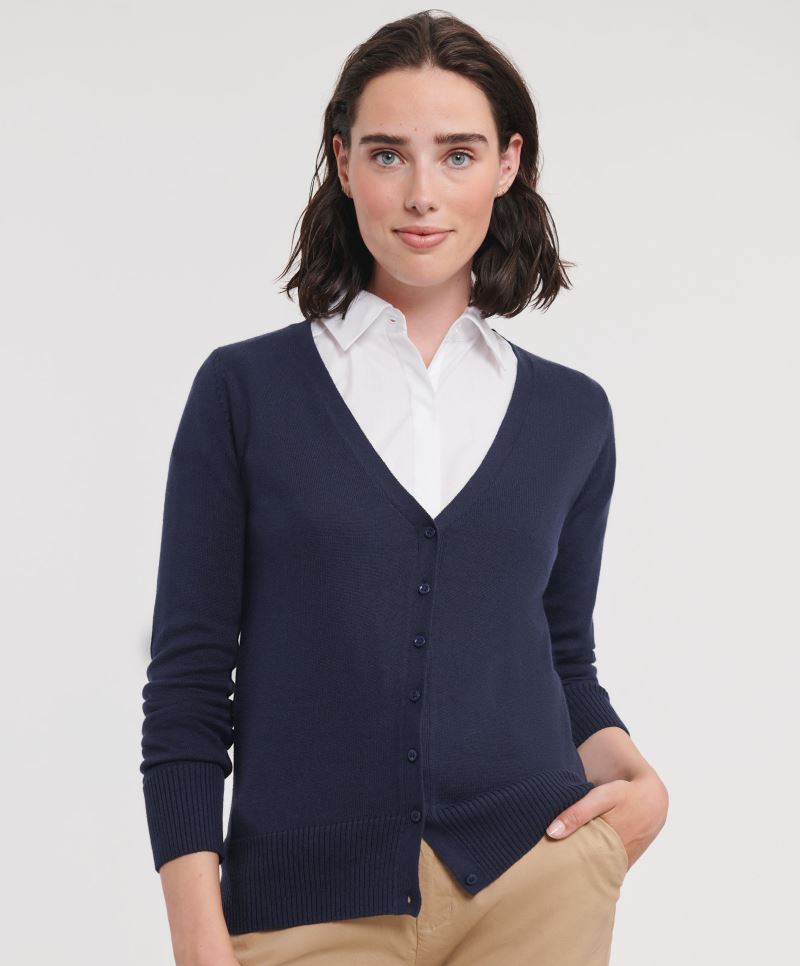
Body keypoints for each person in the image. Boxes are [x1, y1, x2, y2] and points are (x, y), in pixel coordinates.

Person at [140, 10, 668, 965]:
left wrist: (637, 785)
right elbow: (188, 683)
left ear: (508, 164)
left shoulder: (572, 414)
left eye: (458, 154)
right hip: (304, 906)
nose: (422, 194)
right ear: (343, 164)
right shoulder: (246, 392)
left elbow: (561, 655)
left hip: (536, 886)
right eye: (389, 154)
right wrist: (198, 937)